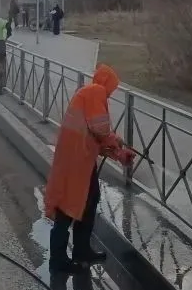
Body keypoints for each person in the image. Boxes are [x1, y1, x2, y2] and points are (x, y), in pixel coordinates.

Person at [44, 63, 134, 272]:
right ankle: (58, 260)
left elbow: (95, 135)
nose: (112, 91)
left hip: (80, 159)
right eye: (113, 86)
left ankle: (81, 250)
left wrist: (118, 151)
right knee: (67, 206)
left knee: (89, 200)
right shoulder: (96, 92)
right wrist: (116, 145)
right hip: (76, 161)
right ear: (107, 82)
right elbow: (100, 129)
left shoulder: (90, 93)